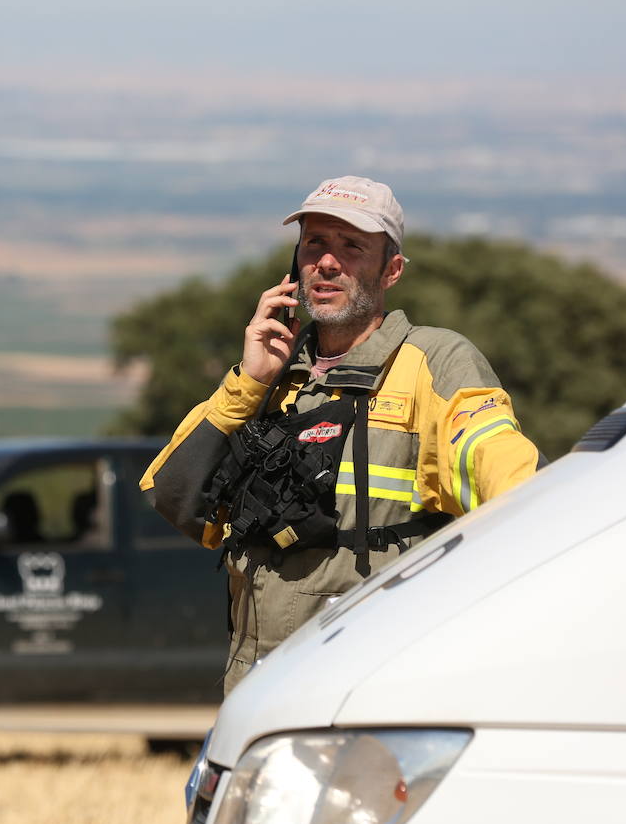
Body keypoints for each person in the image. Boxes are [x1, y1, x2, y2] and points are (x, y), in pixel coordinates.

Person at [140, 175, 540, 693]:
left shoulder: (435, 362)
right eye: (315, 244)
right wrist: (250, 382)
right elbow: (171, 496)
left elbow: (503, 469)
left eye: (352, 247)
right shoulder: (270, 377)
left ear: (391, 270)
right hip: (254, 684)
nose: (327, 262)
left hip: (369, 686)